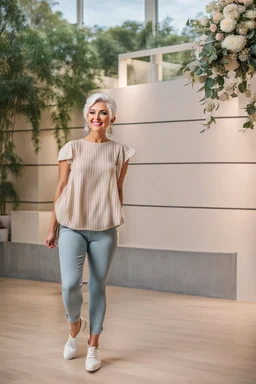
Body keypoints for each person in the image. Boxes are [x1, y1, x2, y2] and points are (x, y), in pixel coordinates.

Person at [45, 92, 136, 372]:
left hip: (105, 229)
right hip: (72, 225)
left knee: (98, 287)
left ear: (113, 118)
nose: (97, 117)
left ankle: (94, 345)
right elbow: (61, 189)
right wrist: (53, 227)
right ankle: (75, 326)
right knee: (70, 285)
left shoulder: (121, 152)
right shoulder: (71, 148)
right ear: (87, 116)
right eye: (93, 112)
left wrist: (113, 217)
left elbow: (118, 189)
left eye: (103, 113)